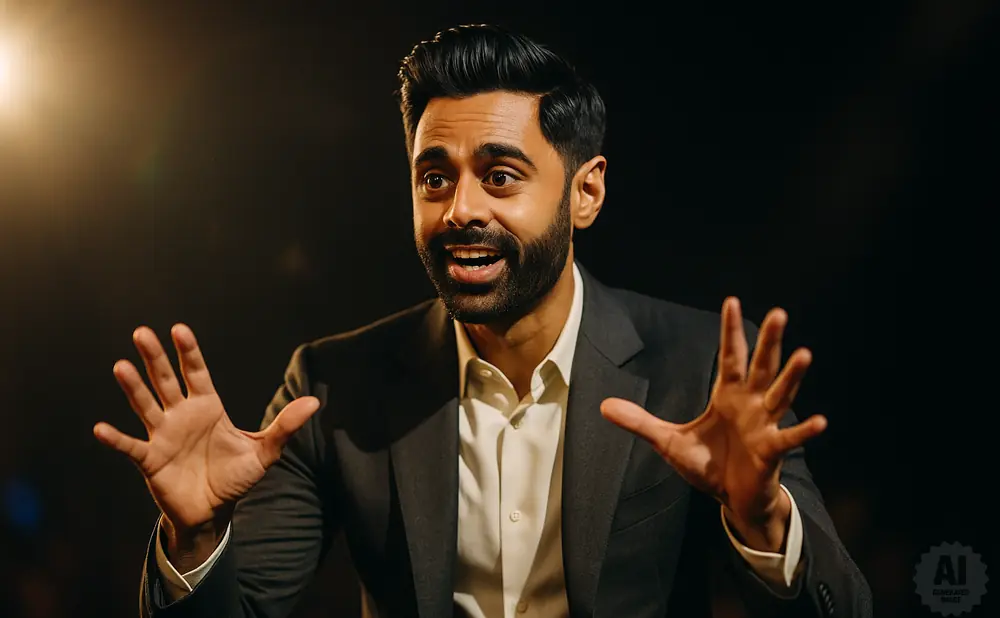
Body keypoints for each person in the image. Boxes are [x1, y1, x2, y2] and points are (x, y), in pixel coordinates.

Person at [94, 24, 872, 618]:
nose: (461, 209)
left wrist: (764, 520)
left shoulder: (695, 369)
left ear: (586, 193)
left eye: (500, 177)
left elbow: (843, 606)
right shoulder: (332, 386)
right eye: (434, 178)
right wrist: (195, 541)